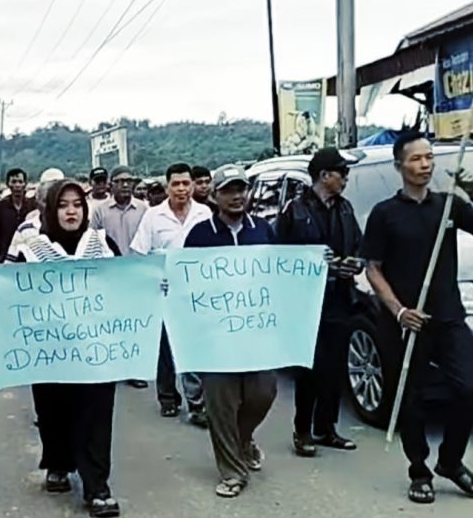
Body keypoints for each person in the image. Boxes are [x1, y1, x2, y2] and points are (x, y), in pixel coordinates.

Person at [361, 134, 473, 504]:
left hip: (448, 316)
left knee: (468, 389)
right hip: (406, 322)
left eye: (429, 158)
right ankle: (419, 471)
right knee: (411, 399)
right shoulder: (384, 213)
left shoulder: (448, 205)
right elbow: (373, 269)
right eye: (416, 159)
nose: (425, 165)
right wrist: (398, 310)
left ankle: (451, 461)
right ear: (400, 166)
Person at [12, 179, 122, 518]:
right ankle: (58, 463)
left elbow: (127, 287)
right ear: (50, 210)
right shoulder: (31, 251)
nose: (71, 211)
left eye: (77, 204)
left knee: (96, 416)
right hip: (50, 352)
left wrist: (151, 284)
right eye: (63, 205)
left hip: (95, 351)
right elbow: (12, 292)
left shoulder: (103, 245)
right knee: (53, 412)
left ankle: (97, 487)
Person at [184, 164, 278, 498]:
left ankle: (243, 438)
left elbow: (280, 276)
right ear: (214, 196)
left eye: (241, 189)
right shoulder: (199, 235)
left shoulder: (264, 230)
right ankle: (232, 472)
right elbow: (186, 282)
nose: (237, 196)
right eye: (228, 190)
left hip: (255, 334)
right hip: (216, 337)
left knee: (263, 392)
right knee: (220, 404)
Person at [277, 147, 363, 457]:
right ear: (325, 175)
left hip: (340, 298)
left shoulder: (346, 209)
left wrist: (355, 262)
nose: (346, 179)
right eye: (342, 173)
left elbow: (358, 244)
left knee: (335, 368)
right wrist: (318, 265)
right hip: (306, 303)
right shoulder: (294, 210)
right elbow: (279, 257)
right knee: (309, 370)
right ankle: (302, 430)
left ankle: (327, 428)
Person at [131, 163, 212, 426]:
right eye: (175, 184)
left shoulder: (204, 213)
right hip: (164, 292)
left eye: (185, 184)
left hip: (197, 292)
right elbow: (140, 255)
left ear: (192, 185)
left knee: (195, 347)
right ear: (167, 186)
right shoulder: (154, 217)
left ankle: (197, 404)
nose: (181, 189)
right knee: (166, 348)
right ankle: (168, 398)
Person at [91, 165, 149, 389]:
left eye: (129, 180)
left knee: (134, 323)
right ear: (110, 185)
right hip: (109, 275)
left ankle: (133, 368)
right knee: (110, 322)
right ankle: (110, 365)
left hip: (136, 273)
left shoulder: (144, 209)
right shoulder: (99, 211)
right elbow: (92, 240)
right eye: (120, 181)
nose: (125, 185)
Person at [6, 168, 65, 262]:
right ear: (37, 202)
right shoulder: (25, 230)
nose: (51, 205)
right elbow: (10, 266)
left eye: (58, 201)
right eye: (46, 201)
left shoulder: (76, 228)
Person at [0, 169, 36, 264]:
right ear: (8, 184)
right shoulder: (0, 207)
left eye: (20, 182)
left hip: (29, 256)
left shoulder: (33, 206)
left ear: (25, 184)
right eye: (14, 182)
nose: (17, 185)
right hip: (7, 256)